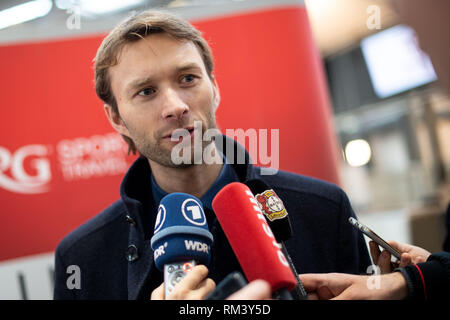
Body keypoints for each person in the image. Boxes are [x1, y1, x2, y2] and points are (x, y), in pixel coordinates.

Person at [53, 10, 371, 300]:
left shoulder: (326, 210)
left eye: (188, 79)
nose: (175, 106)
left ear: (214, 88)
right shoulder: (82, 258)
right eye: (146, 91)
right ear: (116, 118)